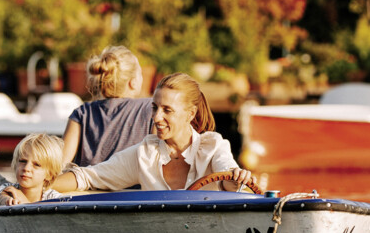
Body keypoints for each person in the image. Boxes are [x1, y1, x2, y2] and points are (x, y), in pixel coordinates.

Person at [49, 72, 253, 193]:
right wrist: (37, 186)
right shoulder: (145, 154)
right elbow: (89, 177)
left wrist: (236, 178)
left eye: (167, 110)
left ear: (190, 114)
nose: (156, 118)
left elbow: (227, 176)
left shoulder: (213, 146)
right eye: (155, 108)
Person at [62, 45, 154, 168]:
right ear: (133, 82)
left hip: (87, 186)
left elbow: (61, 164)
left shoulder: (82, 113)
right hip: (135, 187)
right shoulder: (151, 109)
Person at [9, 133, 66, 203]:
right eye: (22, 161)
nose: (26, 168)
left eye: (36, 165)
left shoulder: (55, 199)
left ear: (50, 175)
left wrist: (25, 202)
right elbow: (2, 196)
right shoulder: (8, 190)